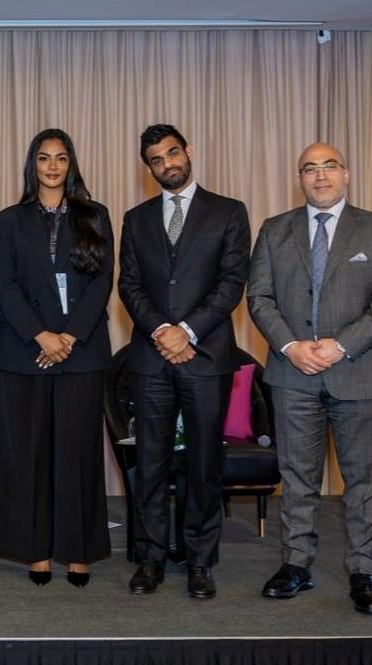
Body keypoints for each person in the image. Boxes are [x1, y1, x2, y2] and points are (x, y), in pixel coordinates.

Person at [247, 143, 372, 615]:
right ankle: (296, 564)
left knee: (363, 479)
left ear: (346, 173)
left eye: (329, 166)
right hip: (292, 372)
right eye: (310, 169)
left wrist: (340, 345)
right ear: (300, 178)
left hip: (359, 371)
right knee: (297, 476)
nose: (320, 176)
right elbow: (259, 298)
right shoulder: (274, 230)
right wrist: (290, 346)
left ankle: (363, 572)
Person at [118, 123, 250, 599]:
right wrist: (162, 332)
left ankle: (199, 560)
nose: (167, 164)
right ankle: (150, 558)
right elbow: (129, 284)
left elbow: (232, 282)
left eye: (172, 153)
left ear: (188, 151)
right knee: (150, 462)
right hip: (152, 359)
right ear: (148, 168)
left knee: (203, 464)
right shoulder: (136, 219)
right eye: (156, 160)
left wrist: (187, 331)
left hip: (206, 357)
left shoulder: (228, 211)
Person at [0, 130, 114, 587]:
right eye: (44, 158)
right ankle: (35, 552)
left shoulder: (95, 215)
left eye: (61, 158)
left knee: (78, 454)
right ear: (33, 165)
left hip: (81, 353)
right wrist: (42, 336)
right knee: (29, 455)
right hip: (26, 352)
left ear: (71, 164)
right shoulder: (9, 220)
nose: (52, 166)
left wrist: (69, 337)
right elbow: (5, 285)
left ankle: (78, 553)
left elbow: (103, 282)